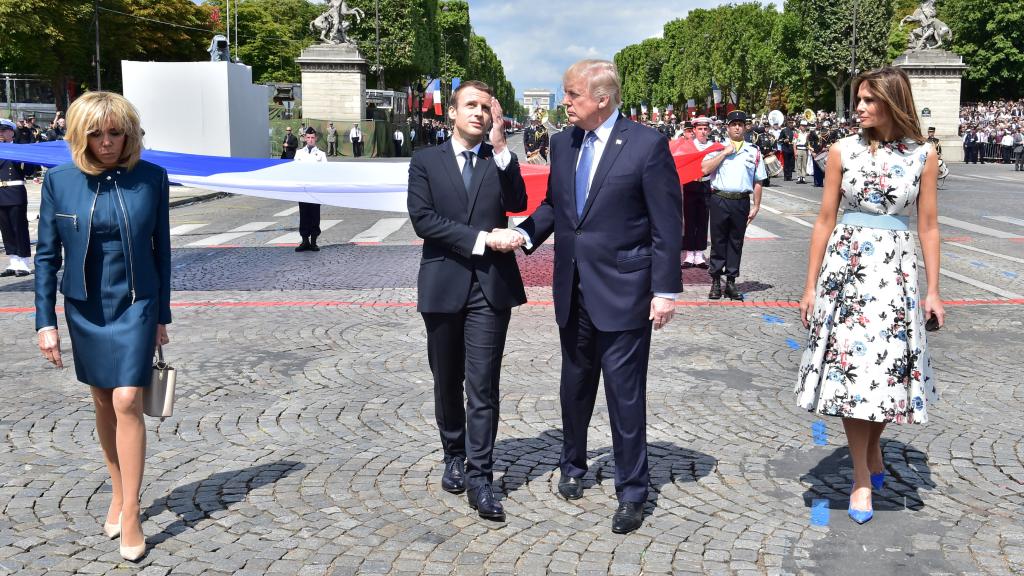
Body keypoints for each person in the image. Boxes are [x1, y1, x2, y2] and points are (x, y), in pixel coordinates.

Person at [515, 59, 682, 534]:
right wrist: (523, 237)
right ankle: (573, 463)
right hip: (573, 287)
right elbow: (554, 206)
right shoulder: (563, 143)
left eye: (571, 95)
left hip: (626, 290)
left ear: (602, 98)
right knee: (575, 386)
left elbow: (666, 224)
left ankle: (633, 490)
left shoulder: (647, 145)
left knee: (625, 396)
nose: (564, 102)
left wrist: (665, 290)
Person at [796, 66, 943, 525]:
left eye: (867, 100)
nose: (857, 108)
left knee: (886, 369)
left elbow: (930, 225)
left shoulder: (924, 154)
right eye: (857, 99)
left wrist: (934, 290)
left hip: (897, 274)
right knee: (850, 371)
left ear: (891, 101)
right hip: (847, 271)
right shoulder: (841, 150)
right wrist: (810, 285)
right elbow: (824, 219)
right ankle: (861, 475)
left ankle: (873, 445)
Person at [34, 91, 172, 561]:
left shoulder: (151, 178)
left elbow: (163, 252)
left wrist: (161, 317)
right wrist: (44, 322)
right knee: (102, 401)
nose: (107, 142)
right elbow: (47, 257)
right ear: (79, 134)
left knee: (128, 398)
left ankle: (130, 511)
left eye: (116, 132)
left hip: (137, 303)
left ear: (129, 133)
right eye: (96, 133)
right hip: (85, 306)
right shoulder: (59, 181)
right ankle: (117, 489)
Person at [407, 80, 527, 523]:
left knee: (482, 386)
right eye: (470, 105)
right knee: (446, 380)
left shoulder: (497, 160)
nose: (478, 112)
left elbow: (517, 202)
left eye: (485, 106)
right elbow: (423, 220)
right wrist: (481, 239)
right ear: (452, 113)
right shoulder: (425, 161)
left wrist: (501, 149)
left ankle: (481, 477)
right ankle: (453, 453)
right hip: (442, 285)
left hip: (490, 289)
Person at [701, 110, 766, 301]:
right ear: (727, 127)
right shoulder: (716, 148)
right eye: (733, 124)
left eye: (740, 124)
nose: (737, 127)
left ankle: (731, 281)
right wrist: (724, 153)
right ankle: (715, 281)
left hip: (741, 200)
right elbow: (705, 169)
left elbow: (758, 180)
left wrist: (757, 205)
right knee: (718, 241)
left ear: (745, 127)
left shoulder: (753, 150)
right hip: (720, 199)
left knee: (736, 242)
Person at [0, 119, 35, 277]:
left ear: (11, 132)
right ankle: (14, 261)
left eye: (3, 130)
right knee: (6, 230)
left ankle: (24, 263)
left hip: (15, 192)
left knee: (19, 228)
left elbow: (29, 171)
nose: (0, 134)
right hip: (0, 193)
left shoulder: (19, 150)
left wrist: (22, 159)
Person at [682, 116, 715, 269]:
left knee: (703, 219)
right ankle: (689, 254)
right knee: (689, 219)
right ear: (694, 130)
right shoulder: (688, 146)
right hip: (691, 184)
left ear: (709, 130)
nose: (702, 132)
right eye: (699, 129)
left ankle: (700, 254)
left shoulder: (713, 147)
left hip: (705, 185)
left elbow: (715, 169)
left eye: (705, 129)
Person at [293, 127, 327, 252]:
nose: (310, 140)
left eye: (312, 138)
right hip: (303, 189)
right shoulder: (299, 153)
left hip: (315, 190)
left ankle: (314, 242)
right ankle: (304, 241)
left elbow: (325, 172)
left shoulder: (321, 154)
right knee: (303, 215)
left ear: (315, 139)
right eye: (308, 137)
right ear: (305, 138)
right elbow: (295, 170)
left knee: (314, 215)